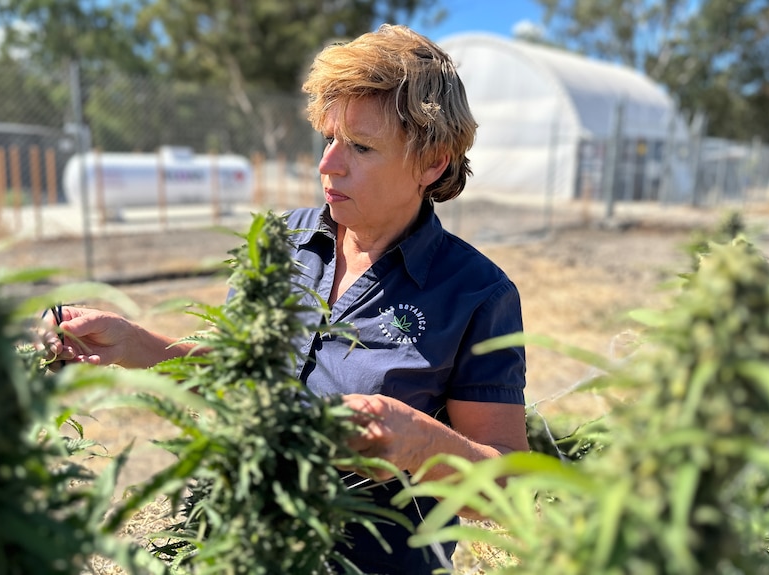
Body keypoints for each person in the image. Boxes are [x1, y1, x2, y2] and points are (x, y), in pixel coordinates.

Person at [44, 24, 528, 575]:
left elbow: (506, 488)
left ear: (432, 163)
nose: (328, 166)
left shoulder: (477, 294)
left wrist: (418, 441)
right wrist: (137, 345)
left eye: (361, 147)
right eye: (328, 139)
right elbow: (234, 375)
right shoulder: (276, 243)